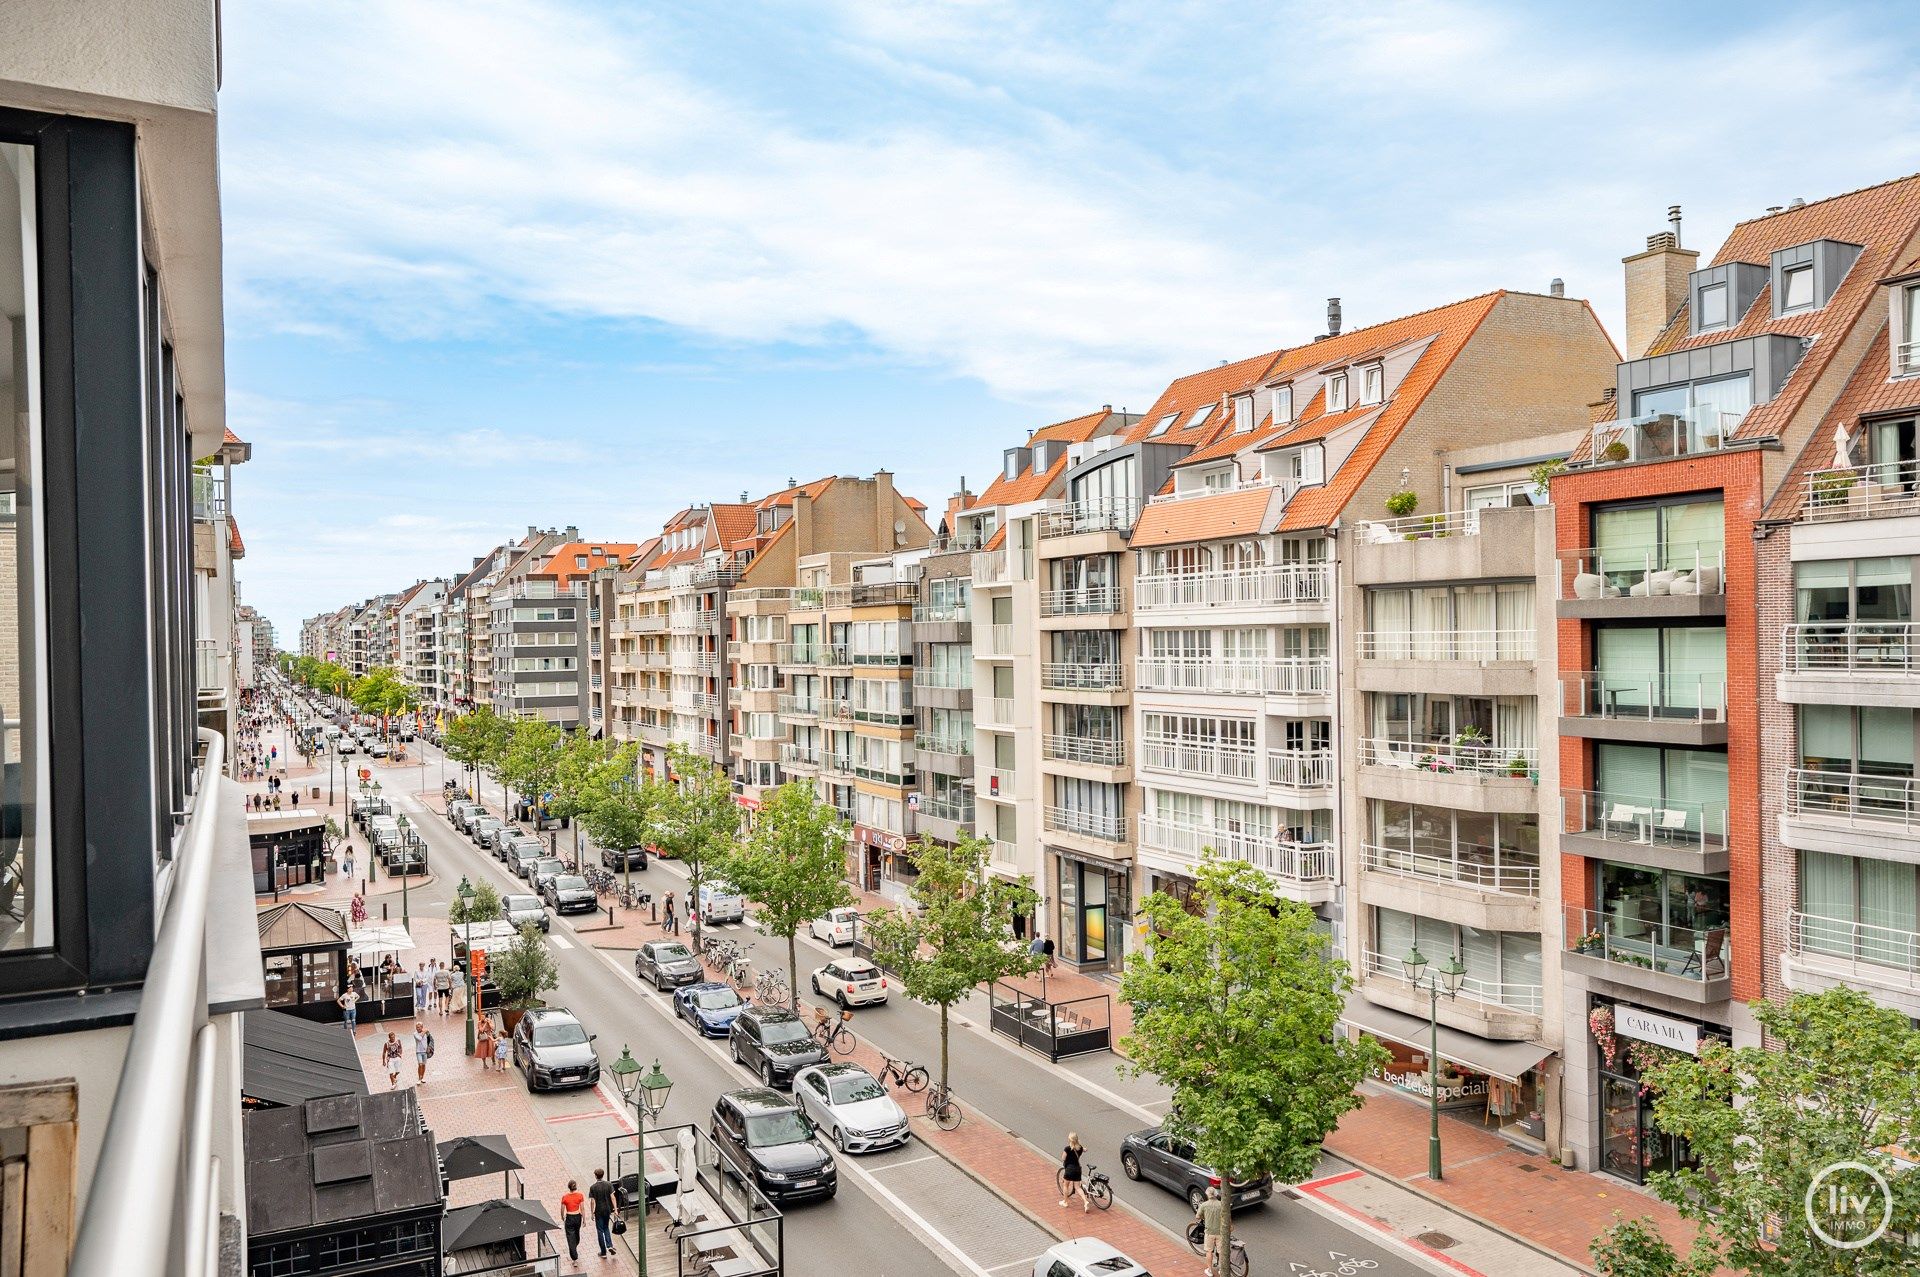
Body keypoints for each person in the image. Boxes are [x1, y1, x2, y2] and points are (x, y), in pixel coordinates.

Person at [1196, 1184, 1229, 1276]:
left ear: (1207, 1195)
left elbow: (1197, 1216)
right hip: (1220, 1232)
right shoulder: (1221, 1204)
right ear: (1216, 1194)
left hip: (1209, 1231)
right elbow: (1226, 1216)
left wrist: (1203, 1216)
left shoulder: (1204, 1205)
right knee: (1221, 1251)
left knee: (1209, 1251)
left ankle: (1210, 1270)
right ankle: (1221, 1269)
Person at [587, 1167, 616, 1257]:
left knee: (600, 1230)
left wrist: (592, 1212)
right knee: (606, 1227)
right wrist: (615, 1208)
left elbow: (592, 1201)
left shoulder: (593, 1187)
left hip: (598, 1211)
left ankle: (603, 1252)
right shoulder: (608, 1184)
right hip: (607, 1209)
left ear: (596, 1176)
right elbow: (612, 1197)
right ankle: (610, 1245)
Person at [1059, 1133, 1087, 1213]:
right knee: (1078, 1187)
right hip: (1078, 1169)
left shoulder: (1067, 1149)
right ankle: (1085, 1201)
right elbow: (1083, 1149)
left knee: (1065, 1185)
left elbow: (1063, 1158)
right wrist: (1084, 1149)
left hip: (1069, 1169)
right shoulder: (1080, 1148)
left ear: (1070, 1140)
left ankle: (1065, 1202)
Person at [559, 1179, 586, 1262]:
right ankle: (574, 1246)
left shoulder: (565, 1197)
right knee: (577, 1234)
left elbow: (562, 1209)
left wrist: (562, 1217)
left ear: (569, 1187)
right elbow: (582, 1208)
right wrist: (584, 1219)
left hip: (570, 1217)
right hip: (578, 1217)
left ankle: (574, 1257)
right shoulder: (580, 1195)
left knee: (570, 1237)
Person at [413, 1021, 432, 1085]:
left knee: (423, 1065)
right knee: (420, 1064)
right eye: (417, 1027)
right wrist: (424, 1031)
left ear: (422, 1027)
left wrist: (428, 1047)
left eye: (419, 1027)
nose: (417, 1028)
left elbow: (429, 1039)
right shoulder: (415, 1034)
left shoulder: (426, 1033)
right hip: (418, 1052)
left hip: (425, 1052)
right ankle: (419, 1078)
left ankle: (422, 1077)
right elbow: (419, 1038)